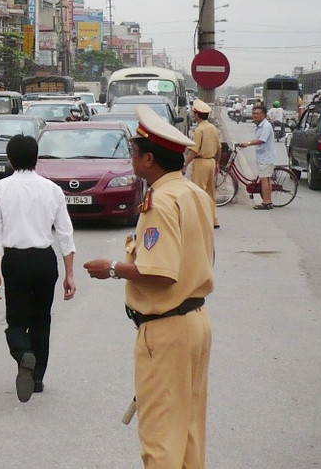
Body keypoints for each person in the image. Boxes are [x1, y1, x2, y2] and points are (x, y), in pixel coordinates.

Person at [83, 105, 214, 468]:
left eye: (134, 153)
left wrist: (111, 268)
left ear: (150, 159)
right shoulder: (193, 194)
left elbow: (160, 271)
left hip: (166, 328)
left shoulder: (161, 202)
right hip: (195, 321)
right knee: (187, 429)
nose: (131, 159)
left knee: (159, 437)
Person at [0, 134, 76, 403]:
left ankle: (23, 353)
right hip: (45, 261)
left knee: (16, 321)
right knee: (42, 320)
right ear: (36, 158)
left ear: (10, 159)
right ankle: (37, 379)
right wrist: (69, 273)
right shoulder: (52, 190)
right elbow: (65, 233)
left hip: (15, 261)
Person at [182, 99, 221, 228]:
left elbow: (194, 150)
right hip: (211, 161)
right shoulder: (213, 128)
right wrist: (217, 163)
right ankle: (213, 219)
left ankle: (201, 220)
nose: (193, 116)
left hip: (201, 163)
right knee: (210, 193)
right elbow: (219, 148)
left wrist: (185, 165)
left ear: (197, 115)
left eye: (194, 113)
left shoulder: (199, 130)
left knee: (198, 192)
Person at [238, 105, 275, 209]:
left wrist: (248, 143)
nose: (255, 115)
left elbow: (261, 140)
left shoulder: (266, 126)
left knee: (264, 179)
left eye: (257, 114)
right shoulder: (260, 126)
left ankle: (266, 202)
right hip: (262, 156)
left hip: (266, 156)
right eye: (254, 113)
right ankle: (268, 201)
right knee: (266, 179)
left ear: (264, 115)